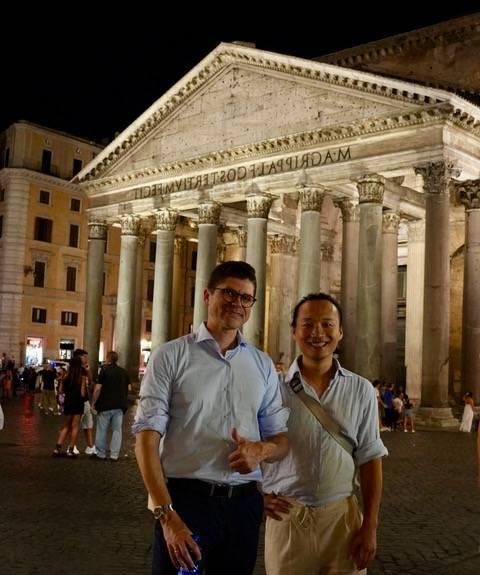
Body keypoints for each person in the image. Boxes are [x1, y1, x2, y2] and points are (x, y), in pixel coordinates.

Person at [133, 260, 289, 575]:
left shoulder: (262, 364)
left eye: (246, 297)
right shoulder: (171, 355)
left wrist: (261, 450)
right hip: (187, 502)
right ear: (207, 295)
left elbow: (281, 440)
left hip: (242, 504)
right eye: (229, 293)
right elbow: (146, 441)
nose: (237, 303)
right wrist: (168, 516)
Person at [262, 293, 388, 575]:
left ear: (340, 332)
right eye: (307, 324)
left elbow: (371, 460)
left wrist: (370, 525)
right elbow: (250, 448)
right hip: (287, 518)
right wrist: (256, 496)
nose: (318, 333)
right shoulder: (271, 389)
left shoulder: (362, 390)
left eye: (327, 324)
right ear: (294, 331)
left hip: (342, 519)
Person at [91, 350, 130, 460]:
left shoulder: (104, 371)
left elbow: (98, 388)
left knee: (102, 430)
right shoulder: (124, 372)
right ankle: (114, 455)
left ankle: (101, 454)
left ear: (108, 358)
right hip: (119, 405)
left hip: (105, 405)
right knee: (117, 430)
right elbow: (128, 388)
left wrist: (94, 402)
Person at [53, 356, 88, 457]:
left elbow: (60, 391)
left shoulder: (66, 376)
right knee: (75, 427)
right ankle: (70, 449)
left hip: (68, 402)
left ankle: (57, 448)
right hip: (78, 402)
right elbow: (82, 394)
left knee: (66, 426)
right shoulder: (82, 377)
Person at [73, 348, 96, 454]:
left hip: (86, 400)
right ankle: (72, 446)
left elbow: (91, 383)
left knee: (88, 424)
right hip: (76, 401)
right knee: (75, 425)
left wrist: (88, 370)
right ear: (78, 357)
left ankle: (90, 446)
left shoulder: (84, 370)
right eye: (84, 356)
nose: (87, 359)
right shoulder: (74, 370)